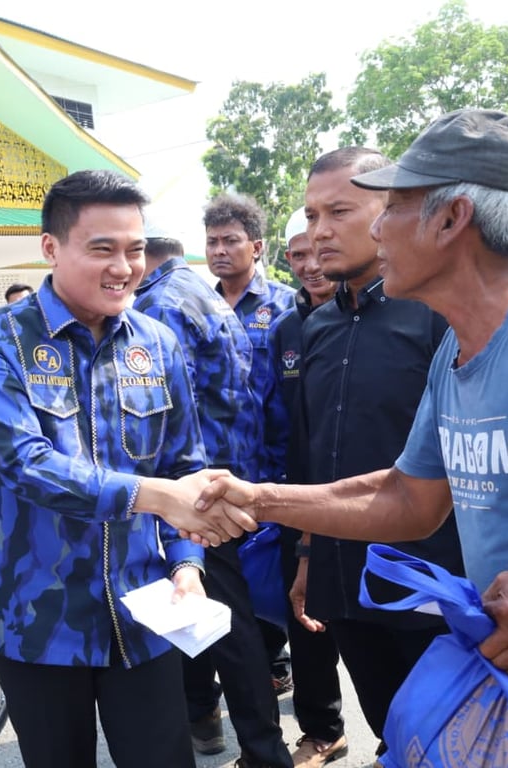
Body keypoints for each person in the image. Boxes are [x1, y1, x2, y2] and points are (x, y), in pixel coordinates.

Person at [196, 109, 508, 768]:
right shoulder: (455, 348)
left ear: (451, 219)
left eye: (396, 207)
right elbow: (410, 498)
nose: (378, 228)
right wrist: (258, 499)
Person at [0, 169, 255, 768]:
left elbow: (184, 465)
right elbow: (24, 464)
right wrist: (155, 495)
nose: (124, 267)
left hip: (143, 617)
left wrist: (187, 564)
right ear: (51, 247)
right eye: (102, 249)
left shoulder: (157, 343)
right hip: (38, 623)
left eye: (135, 250)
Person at [278, 147, 464, 759]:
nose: (319, 232)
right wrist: (308, 555)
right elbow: (312, 455)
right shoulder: (316, 327)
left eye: (339, 212)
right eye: (311, 215)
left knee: (452, 739)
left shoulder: (438, 317)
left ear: (389, 211)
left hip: (429, 579)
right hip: (343, 577)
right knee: (392, 730)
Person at [133, 224, 292, 768]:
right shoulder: (207, 297)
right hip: (229, 472)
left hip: (192, 485)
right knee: (204, 606)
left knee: (224, 622)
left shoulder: (159, 305)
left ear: (144, 258)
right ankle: (204, 716)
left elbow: (158, 407)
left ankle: (263, 750)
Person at [203, 192, 295, 713]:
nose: (219, 250)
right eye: (212, 241)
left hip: (274, 474)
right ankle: (243, 689)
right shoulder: (197, 306)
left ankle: (276, 673)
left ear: (256, 247)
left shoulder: (285, 306)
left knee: (273, 589)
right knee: (228, 591)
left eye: (230, 241)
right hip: (217, 477)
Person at [266, 210, 348, 767]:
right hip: (300, 495)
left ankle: (402, 737)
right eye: (297, 254)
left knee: (382, 623)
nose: (310, 264)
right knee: (307, 615)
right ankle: (322, 731)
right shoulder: (285, 330)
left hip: (371, 492)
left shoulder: (388, 313)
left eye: (318, 252)